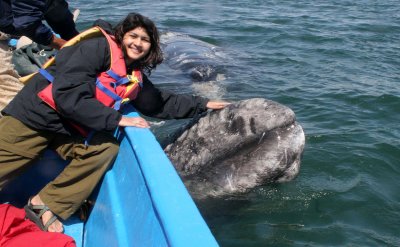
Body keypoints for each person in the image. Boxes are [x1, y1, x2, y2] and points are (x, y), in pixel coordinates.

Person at [0, 12, 229, 233]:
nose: (137, 43)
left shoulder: (132, 74)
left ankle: (45, 205)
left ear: (152, 46)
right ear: (122, 36)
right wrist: (117, 118)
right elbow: (68, 95)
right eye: (133, 36)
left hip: (68, 130)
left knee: (105, 148)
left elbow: (157, 103)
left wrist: (203, 104)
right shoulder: (95, 48)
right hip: (34, 119)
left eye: (145, 39)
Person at [0, 0, 79, 49]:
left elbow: (56, 7)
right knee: (5, 74)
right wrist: (63, 46)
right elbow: (27, 25)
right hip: (4, 28)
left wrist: (72, 36)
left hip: (17, 18)